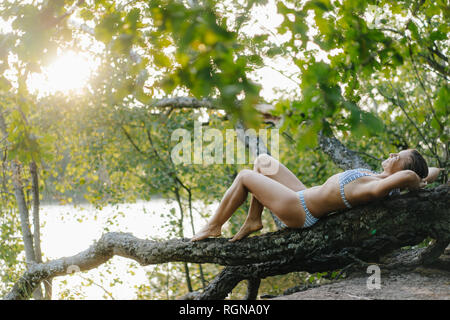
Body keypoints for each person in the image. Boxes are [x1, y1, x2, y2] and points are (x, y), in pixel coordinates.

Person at [191, 149, 444, 242]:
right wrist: (428, 174)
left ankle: (214, 226)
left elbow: (413, 177)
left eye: (397, 158)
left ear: (403, 172)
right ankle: (254, 219)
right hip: (301, 194)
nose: (391, 156)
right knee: (263, 161)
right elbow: (428, 172)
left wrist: (415, 179)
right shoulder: (378, 176)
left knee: (246, 176)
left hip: (300, 210)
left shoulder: (375, 187)